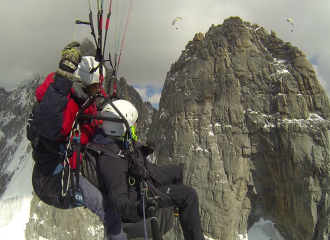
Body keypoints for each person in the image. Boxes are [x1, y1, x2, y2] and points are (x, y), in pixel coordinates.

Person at [27, 41, 127, 240]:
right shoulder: (66, 103)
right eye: (96, 87)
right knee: (105, 204)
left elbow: (96, 105)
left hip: (71, 165)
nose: (98, 91)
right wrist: (64, 74)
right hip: (53, 181)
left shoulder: (85, 98)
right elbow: (51, 127)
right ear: (85, 85)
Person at [86, 99, 205, 240]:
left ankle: (174, 208)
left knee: (176, 171)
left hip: (140, 179)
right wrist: (139, 207)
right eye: (134, 123)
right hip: (139, 197)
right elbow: (118, 201)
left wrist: (144, 151)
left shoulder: (113, 140)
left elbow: (129, 159)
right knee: (188, 195)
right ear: (123, 127)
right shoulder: (112, 161)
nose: (136, 125)